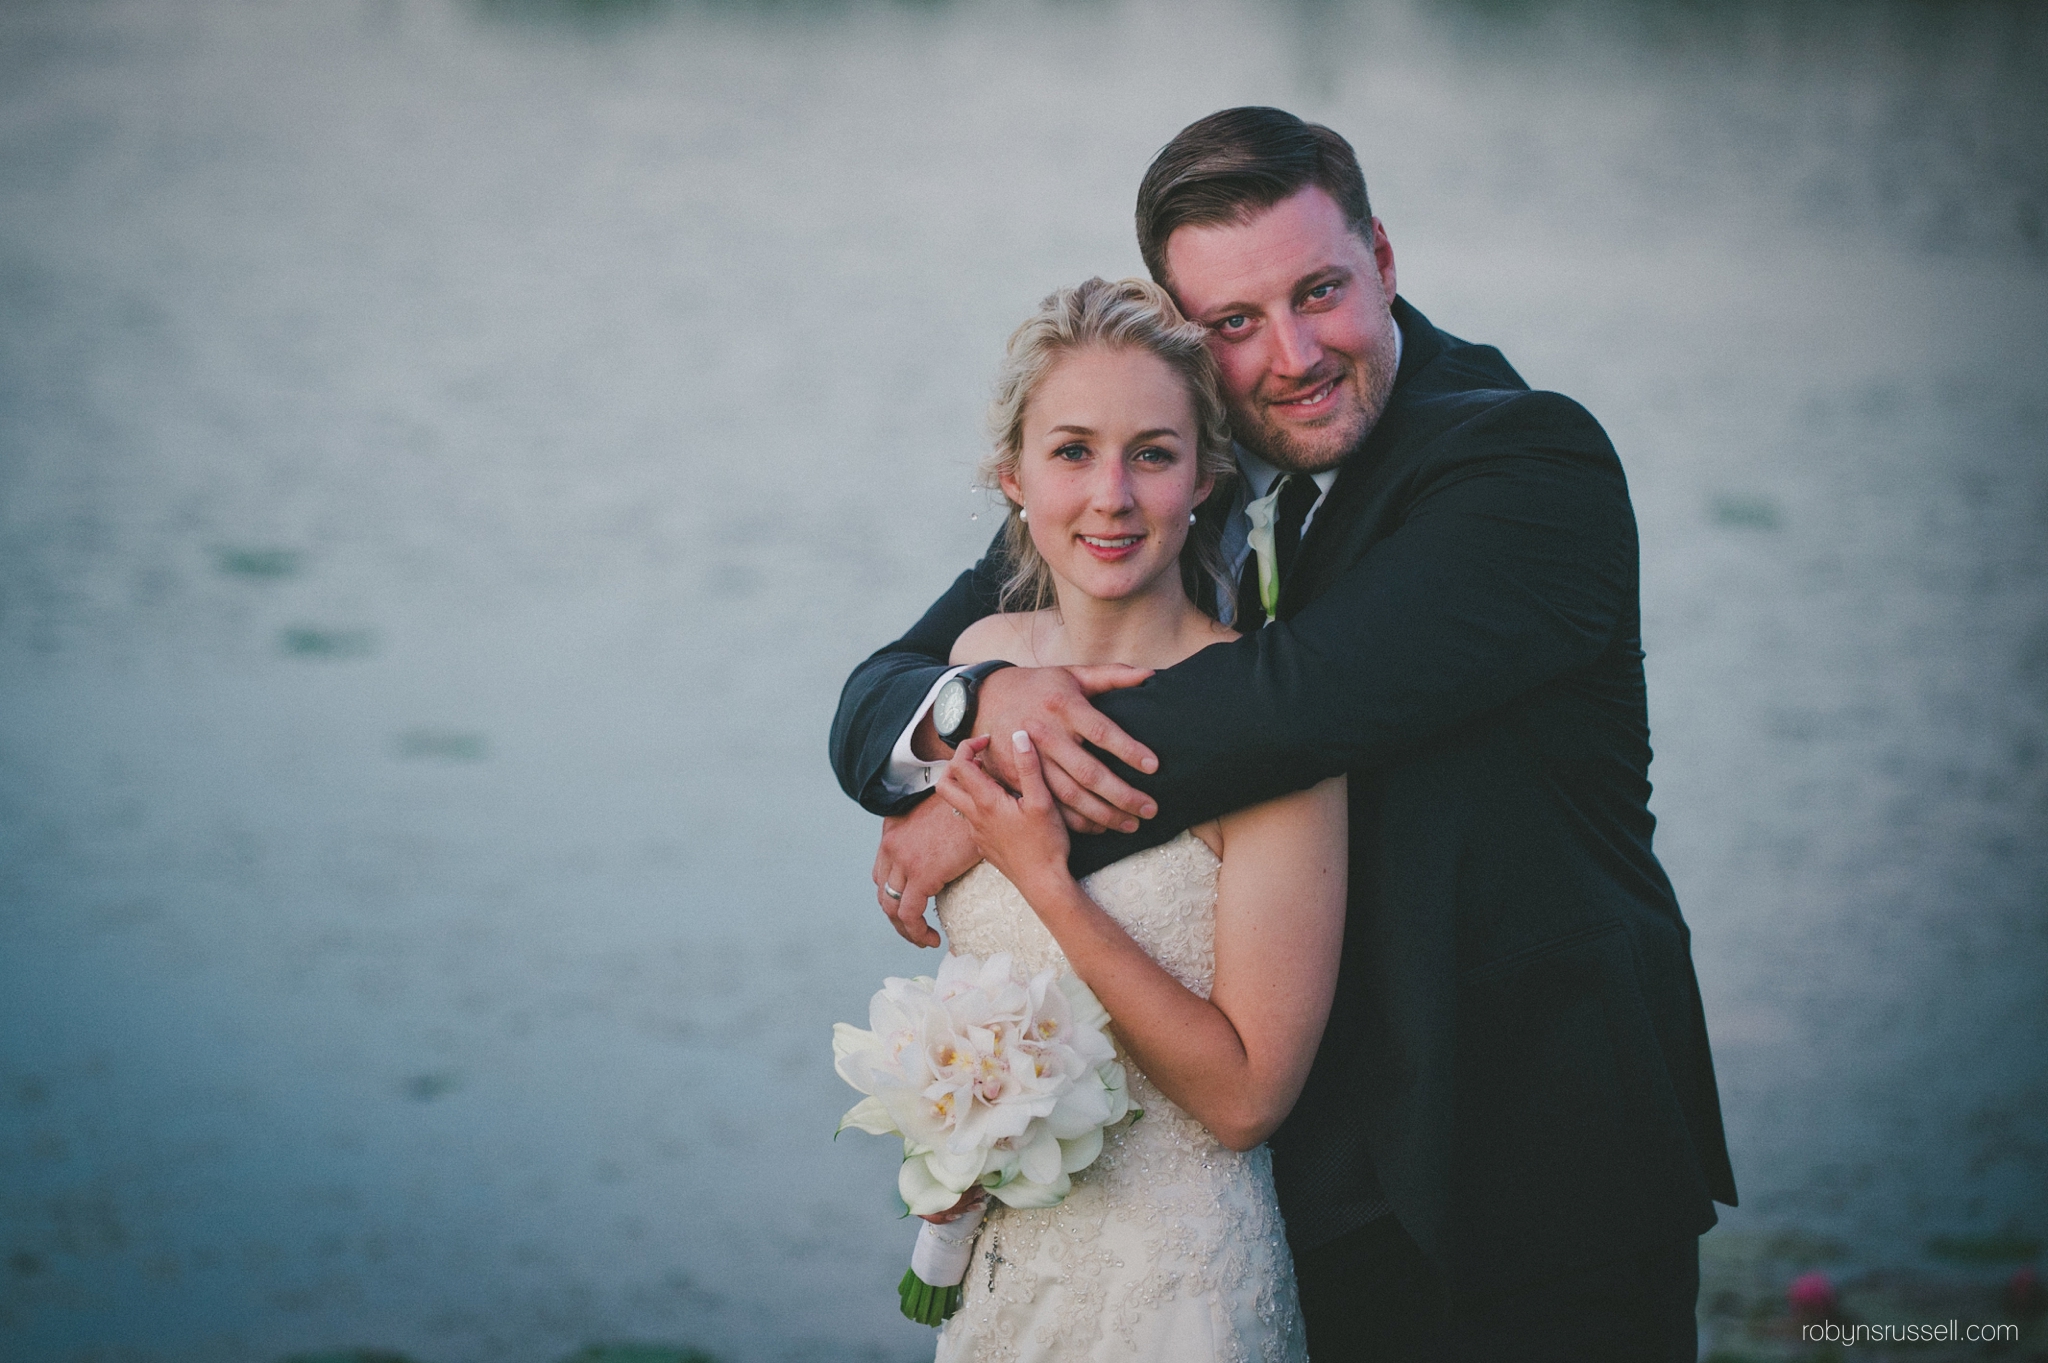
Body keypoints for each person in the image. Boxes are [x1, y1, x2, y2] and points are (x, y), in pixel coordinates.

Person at [831, 108, 1737, 1361]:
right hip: (1295, 1189)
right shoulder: (1155, 479)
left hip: (1531, 1170)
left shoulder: (1525, 466)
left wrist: (979, 797)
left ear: (1383, 256)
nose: (1295, 353)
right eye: (1235, 324)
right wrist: (975, 707)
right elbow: (882, 694)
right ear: (1185, 327)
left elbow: (1290, 706)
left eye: (1321, 290)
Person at [915, 275, 1344, 1361]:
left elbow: (1245, 1099)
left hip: (1177, 1290)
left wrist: (1049, 882)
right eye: (1071, 451)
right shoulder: (974, 668)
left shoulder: (1268, 718)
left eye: (1151, 453)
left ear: (1203, 478)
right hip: (1007, 1285)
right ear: (1012, 475)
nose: (1109, 495)